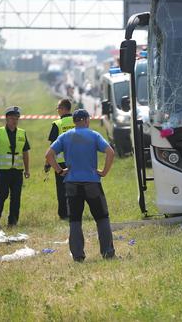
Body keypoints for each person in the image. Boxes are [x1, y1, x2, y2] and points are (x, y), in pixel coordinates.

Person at [45, 109, 116, 262]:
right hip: (92, 182)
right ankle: (107, 253)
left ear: (75, 121)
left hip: (72, 183)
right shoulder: (94, 135)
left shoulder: (65, 136)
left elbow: (49, 155)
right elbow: (110, 152)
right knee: (102, 218)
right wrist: (103, 172)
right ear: (85, 120)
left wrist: (59, 170)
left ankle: (78, 256)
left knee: (75, 220)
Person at [0, 106, 31, 229]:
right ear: (6, 118)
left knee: (16, 197)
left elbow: (25, 152)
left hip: (17, 171)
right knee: (3, 194)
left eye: (16, 118)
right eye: (12, 118)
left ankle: (13, 222)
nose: (14, 120)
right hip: (3, 171)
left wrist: (27, 169)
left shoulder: (22, 133)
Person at [44, 98, 74, 219]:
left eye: (58, 108)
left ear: (62, 109)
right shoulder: (77, 121)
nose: (57, 111)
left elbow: (52, 147)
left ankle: (63, 214)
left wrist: (47, 163)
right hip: (77, 161)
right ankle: (75, 211)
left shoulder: (57, 124)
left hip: (61, 163)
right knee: (76, 187)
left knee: (62, 190)